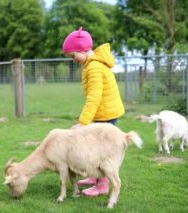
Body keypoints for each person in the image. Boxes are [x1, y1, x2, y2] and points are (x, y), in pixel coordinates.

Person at [62, 27, 125, 197]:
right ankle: (95, 178)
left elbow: (94, 97)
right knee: (95, 146)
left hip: (106, 113)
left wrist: (83, 123)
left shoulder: (94, 68)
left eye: (73, 56)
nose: (73, 60)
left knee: (101, 149)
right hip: (103, 111)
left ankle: (102, 185)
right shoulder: (91, 65)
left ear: (83, 50)